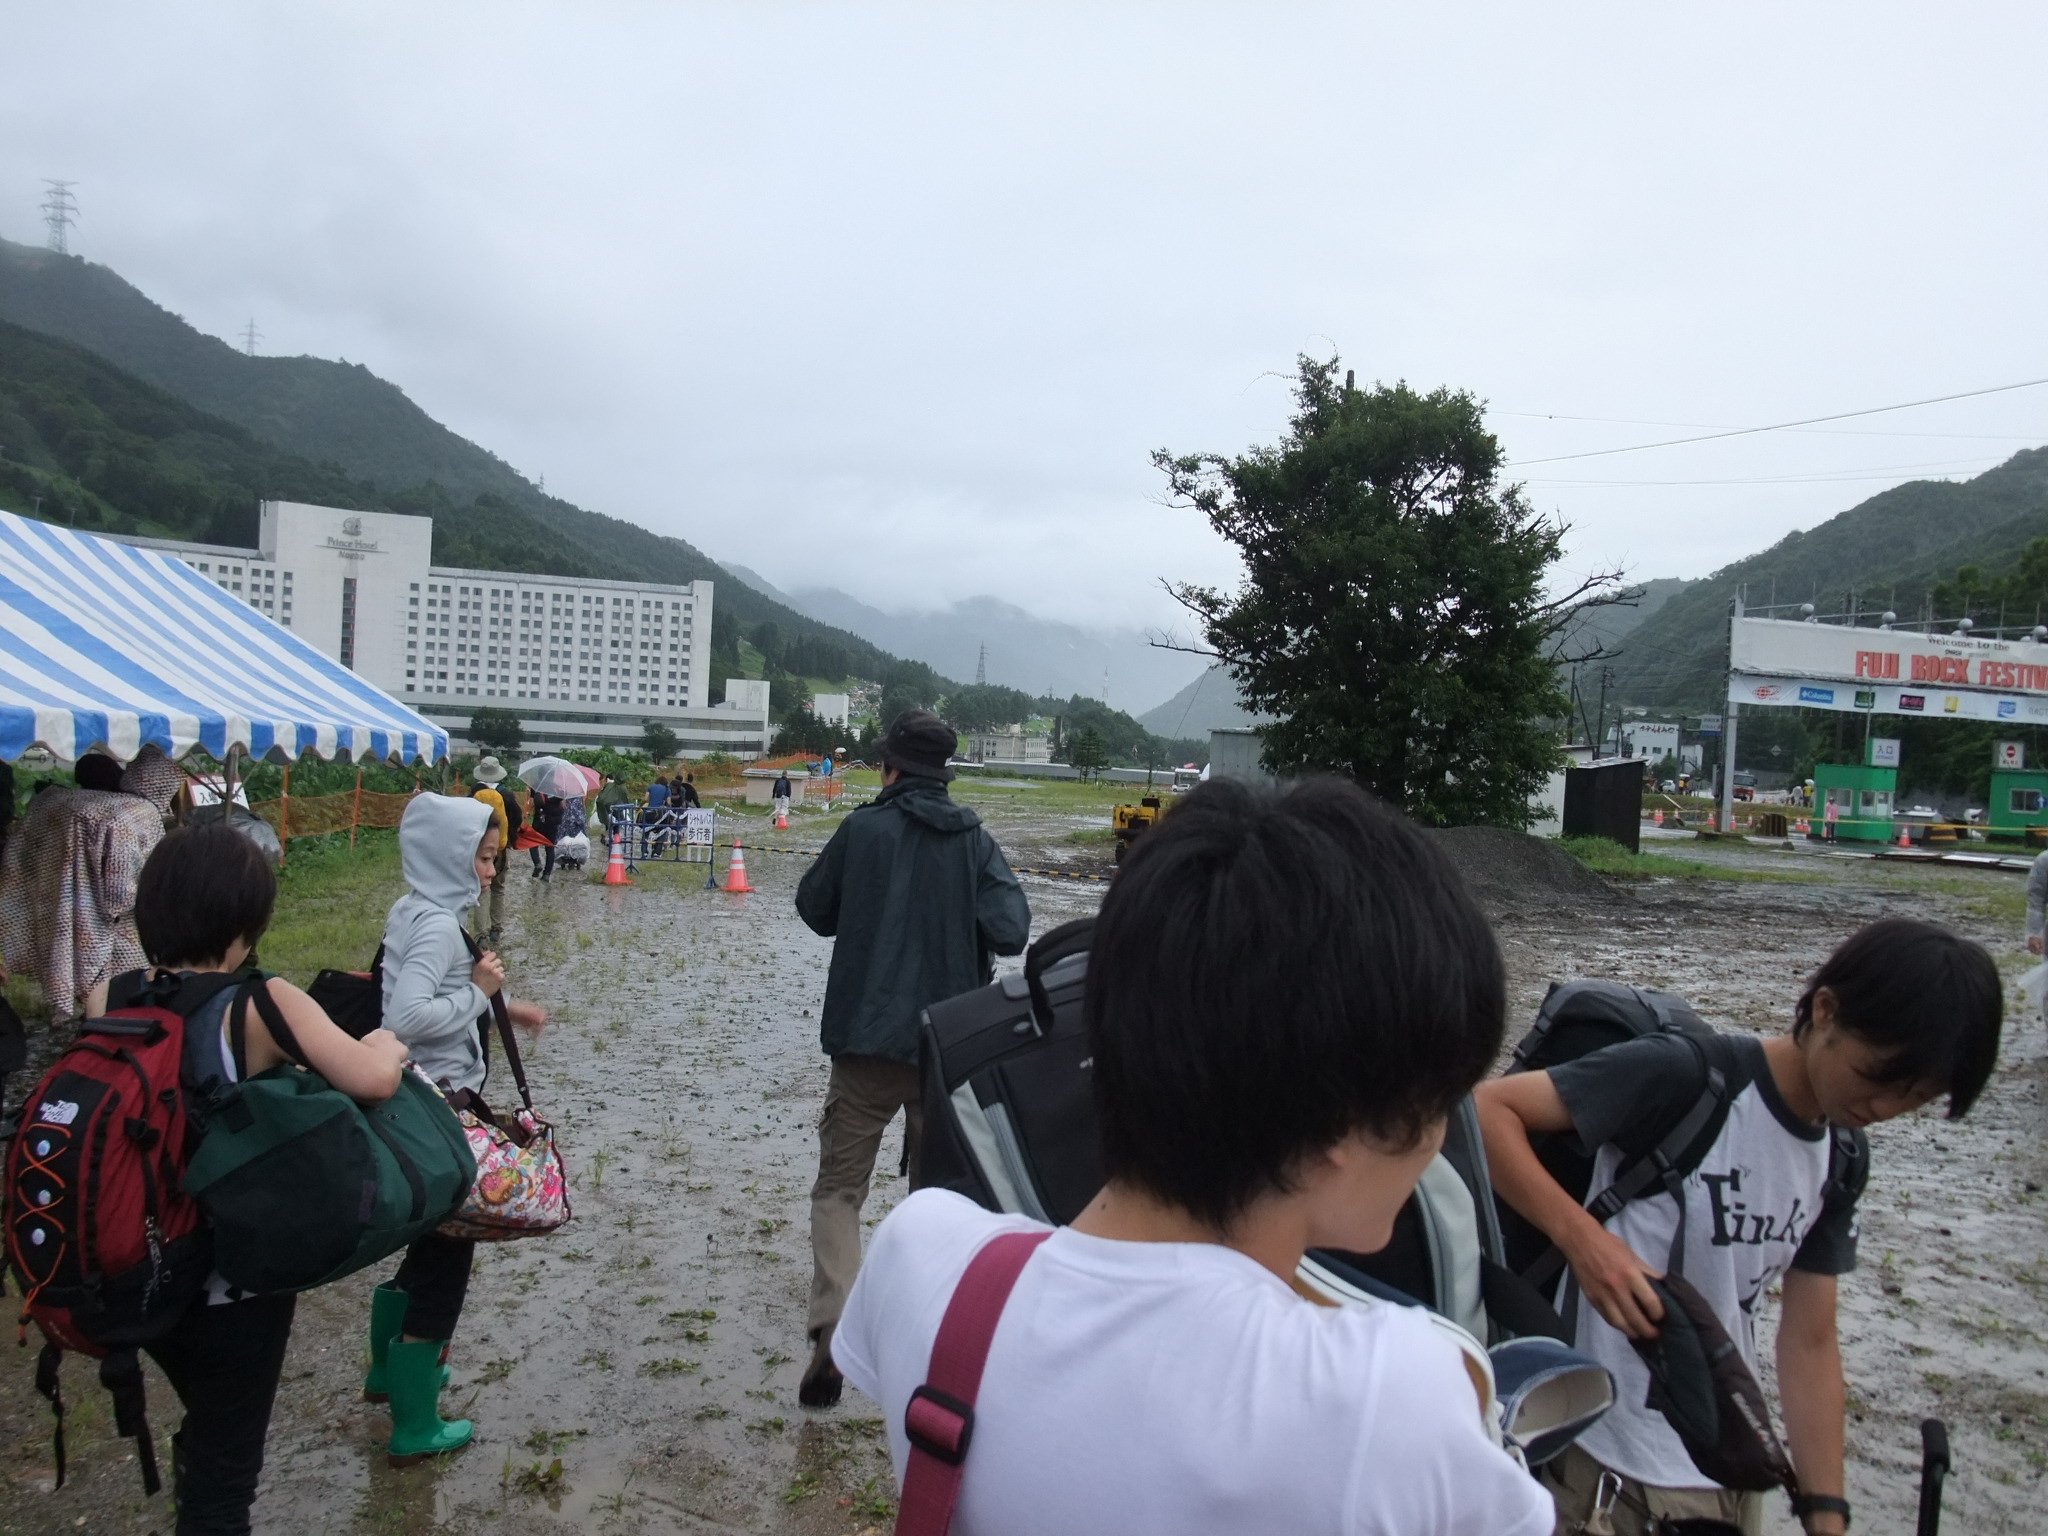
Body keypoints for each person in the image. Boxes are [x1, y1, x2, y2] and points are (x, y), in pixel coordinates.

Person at [831, 777, 1552, 1534]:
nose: (1439, 1138)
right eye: (1437, 1100)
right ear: (1341, 1128)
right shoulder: (1386, 1400)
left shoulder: (925, 1258)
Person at [1476, 918, 2002, 1536]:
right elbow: (1488, 1110)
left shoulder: (1840, 1156)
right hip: (1599, 1457)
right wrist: (1586, 1242)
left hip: (1722, 1465)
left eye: (1914, 1099)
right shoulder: (1688, 1078)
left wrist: (1825, 1510)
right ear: (1825, 1011)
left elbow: (1810, 1341)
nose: (1883, 1109)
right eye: (1876, 1078)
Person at [128, 822, 409, 1534]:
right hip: (230, 1278)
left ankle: (198, 1460)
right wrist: (385, 1040)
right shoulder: (259, 1002)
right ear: (251, 919)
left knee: (208, 1417)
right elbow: (371, 1079)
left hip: (139, 1264)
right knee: (226, 1480)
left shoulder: (115, 995)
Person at [795, 710, 1030, 1408]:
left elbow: (815, 907)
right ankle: (923, 1344)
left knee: (839, 1191)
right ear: (944, 773)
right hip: (946, 1050)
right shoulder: (975, 841)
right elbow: (1011, 930)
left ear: (891, 769)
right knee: (937, 1204)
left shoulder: (862, 829)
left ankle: (834, 1330)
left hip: (864, 1047)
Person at [369, 794, 547, 1465]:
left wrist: (508, 1005)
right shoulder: (442, 928)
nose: (489, 873)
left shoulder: (414, 911)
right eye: (481, 858)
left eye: (493, 860)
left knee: (425, 1245)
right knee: (449, 1253)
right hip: (437, 1109)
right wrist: (476, 991)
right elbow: (405, 1015)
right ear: (449, 857)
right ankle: (416, 1423)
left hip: (418, 1102)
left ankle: (387, 1374)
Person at [0, 748, 182, 1018]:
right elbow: (119, 897)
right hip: (108, 925)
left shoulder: (57, 798)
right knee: (117, 996)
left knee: (84, 985)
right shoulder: (136, 815)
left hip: (55, 902)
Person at [466, 757, 518, 944]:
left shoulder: (473, 794)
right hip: (501, 848)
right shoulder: (507, 795)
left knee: (482, 888)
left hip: (478, 849)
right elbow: (517, 820)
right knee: (498, 888)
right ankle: (496, 928)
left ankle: (481, 934)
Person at [529, 793, 563, 882]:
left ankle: (537, 863)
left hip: (539, 822)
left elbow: (532, 804)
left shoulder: (538, 789)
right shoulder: (559, 790)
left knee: (533, 844)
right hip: (552, 825)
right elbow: (563, 807)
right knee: (550, 849)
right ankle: (546, 874)